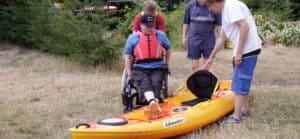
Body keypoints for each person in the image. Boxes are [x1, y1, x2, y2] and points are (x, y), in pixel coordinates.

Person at [203, 0, 262, 124]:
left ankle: (236, 117)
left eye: (209, 6)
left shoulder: (231, 7)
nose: (210, 10)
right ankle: (245, 110)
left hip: (247, 49)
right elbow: (221, 39)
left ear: (214, 2)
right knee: (240, 80)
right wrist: (211, 57)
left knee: (240, 83)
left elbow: (245, 26)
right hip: (243, 50)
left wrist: (239, 52)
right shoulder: (226, 11)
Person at [124, 14, 172, 120]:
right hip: (139, 67)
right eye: (147, 26)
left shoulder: (160, 35)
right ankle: (154, 103)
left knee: (156, 82)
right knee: (144, 82)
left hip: (157, 66)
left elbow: (168, 48)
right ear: (141, 25)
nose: (150, 28)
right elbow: (127, 57)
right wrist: (129, 73)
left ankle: (152, 104)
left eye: (151, 26)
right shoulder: (133, 38)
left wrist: (166, 63)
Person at [182, 0, 222, 72]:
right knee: (194, 66)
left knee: (208, 66)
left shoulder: (213, 5)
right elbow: (186, 23)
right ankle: (197, 82)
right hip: (193, 39)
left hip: (208, 40)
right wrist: (184, 38)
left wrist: (221, 40)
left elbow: (219, 25)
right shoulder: (191, 5)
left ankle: (208, 83)